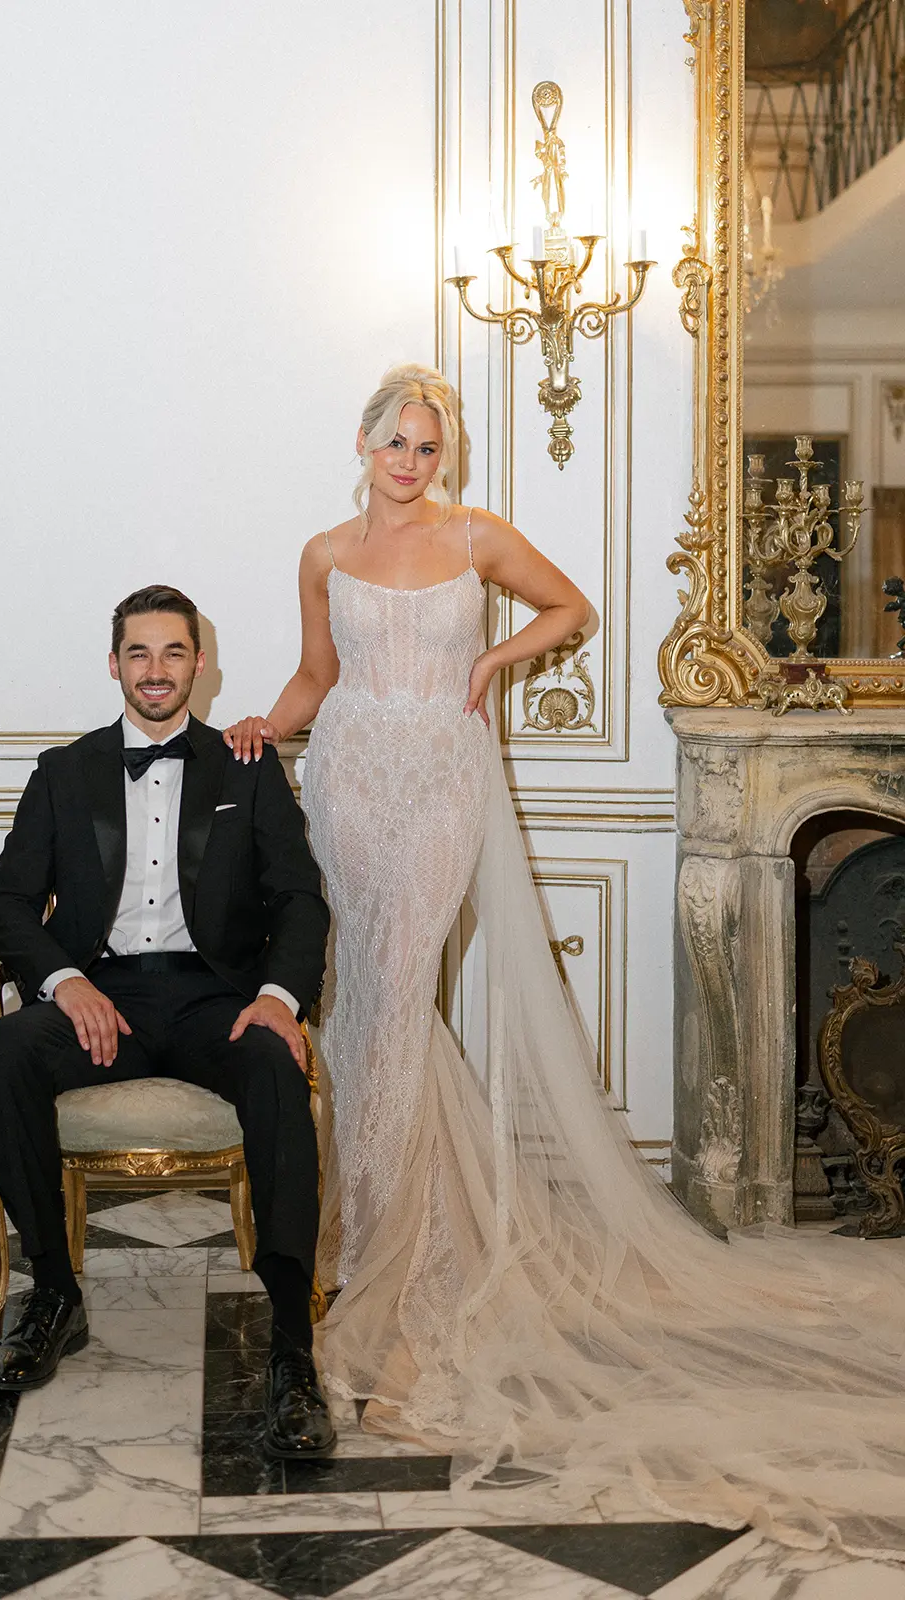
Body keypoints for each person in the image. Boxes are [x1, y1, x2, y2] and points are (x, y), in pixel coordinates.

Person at [224, 363, 905, 1557]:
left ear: (447, 455)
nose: (411, 463)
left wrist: (489, 666)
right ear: (365, 442)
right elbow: (316, 680)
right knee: (364, 1008)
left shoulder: (477, 534)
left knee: (392, 1000)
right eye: (396, 443)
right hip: (346, 783)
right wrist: (258, 726)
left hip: (440, 782)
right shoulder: (323, 553)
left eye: (429, 447)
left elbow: (572, 607)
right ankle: (362, 1238)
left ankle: (384, 1273)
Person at [0, 584, 334, 1459]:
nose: (157, 670)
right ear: (114, 665)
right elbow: (7, 902)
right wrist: (63, 982)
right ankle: (54, 1294)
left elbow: (300, 901)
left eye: (174, 652)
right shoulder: (64, 771)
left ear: (199, 665)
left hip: (217, 998)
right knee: (2, 1055)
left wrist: (276, 1000)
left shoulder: (247, 766)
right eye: (140, 653)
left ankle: (293, 1347)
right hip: (105, 997)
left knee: (279, 1073)